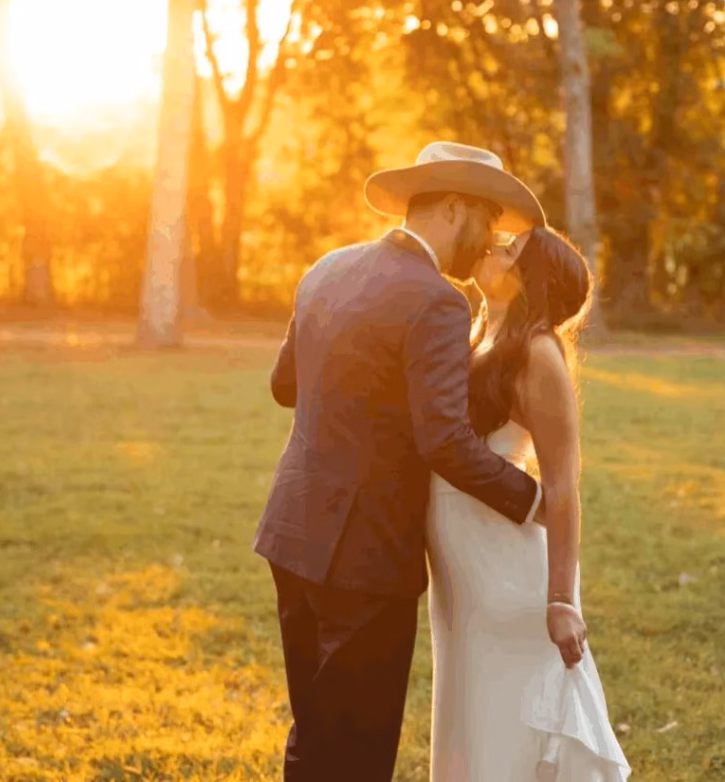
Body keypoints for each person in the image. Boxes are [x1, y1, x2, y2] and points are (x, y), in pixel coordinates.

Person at [253, 141, 553, 780]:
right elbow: (443, 439)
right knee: (357, 755)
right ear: (451, 207)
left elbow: (285, 384)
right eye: (486, 223)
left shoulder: (327, 268)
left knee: (314, 735)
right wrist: (532, 500)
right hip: (367, 557)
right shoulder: (439, 300)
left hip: (293, 534)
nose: (488, 241)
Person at [428, 225, 631, 781]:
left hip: (508, 577)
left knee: (505, 726)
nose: (491, 248)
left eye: (508, 250)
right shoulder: (479, 335)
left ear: (528, 280)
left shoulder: (538, 354)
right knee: (468, 716)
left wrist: (561, 599)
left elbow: (564, 486)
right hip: (463, 573)